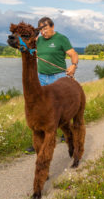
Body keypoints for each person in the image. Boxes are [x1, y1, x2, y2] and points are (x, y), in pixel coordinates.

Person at [25, 16, 79, 154]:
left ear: (52, 27)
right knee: (40, 108)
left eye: (45, 28)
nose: (43, 32)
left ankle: (65, 133)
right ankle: (39, 140)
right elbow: (28, 45)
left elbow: (73, 53)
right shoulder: (39, 40)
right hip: (41, 77)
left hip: (58, 77)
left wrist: (73, 65)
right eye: (41, 29)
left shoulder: (61, 38)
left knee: (61, 108)